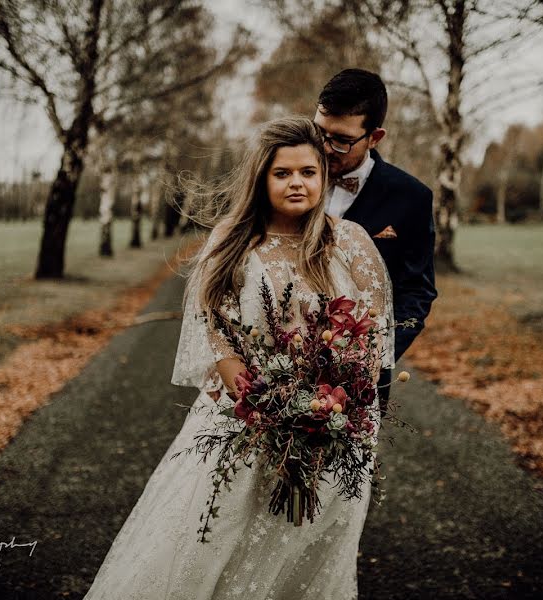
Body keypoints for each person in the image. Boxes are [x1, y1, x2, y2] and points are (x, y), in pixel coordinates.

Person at [83, 117, 394, 599]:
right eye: (283, 173)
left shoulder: (350, 243)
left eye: (308, 172)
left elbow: (369, 342)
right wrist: (277, 416)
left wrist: (327, 418)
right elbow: (220, 338)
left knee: (305, 550)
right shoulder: (233, 242)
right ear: (261, 178)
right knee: (213, 538)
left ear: (323, 177)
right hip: (242, 425)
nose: (297, 183)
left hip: (333, 432)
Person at [313, 68, 438, 408]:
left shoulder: (411, 197)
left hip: (358, 382)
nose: (324, 148)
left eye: (340, 140)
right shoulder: (287, 178)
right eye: (318, 132)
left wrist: (371, 357)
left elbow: (416, 292)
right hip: (277, 364)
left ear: (375, 136)